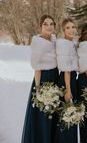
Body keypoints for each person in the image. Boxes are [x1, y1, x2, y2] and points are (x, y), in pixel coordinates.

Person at [21, 15, 58, 143]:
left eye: (51, 24)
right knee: (43, 116)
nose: (49, 27)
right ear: (40, 26)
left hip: (55, 78)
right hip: (43, 80)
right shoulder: (38, 42)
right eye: (45, 24)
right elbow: (36, 68)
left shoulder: (54, 40)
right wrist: (38, 90)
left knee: (53, 115)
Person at [55, 18, 79, 143]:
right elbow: (66, 70)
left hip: (72, 80)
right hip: (66, 81)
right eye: (68, 27)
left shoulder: (72, 44)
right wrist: (68, 90)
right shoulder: (64, 44)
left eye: (73, 27)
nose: (71, 30)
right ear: (63, 30)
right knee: (67, 116)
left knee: (71, 116)